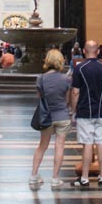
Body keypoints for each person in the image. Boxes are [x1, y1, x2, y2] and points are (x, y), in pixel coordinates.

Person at [70, 40, 102, 189]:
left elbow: (75, 92)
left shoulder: (80, 69)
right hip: (101, 111)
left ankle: (85, 178)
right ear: (98, 51)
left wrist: (73, 110)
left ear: (84, 50)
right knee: (101, 142)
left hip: (85, 111)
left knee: (87, 144)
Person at [29, 49, 72, 189]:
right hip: (63, 116)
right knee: (59, 146)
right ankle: (55, 178)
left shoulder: (40, 78)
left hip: (47, 116)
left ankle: (34, 175)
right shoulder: (66, 79)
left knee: (42, 146)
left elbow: (40, 98)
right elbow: (67, 99)